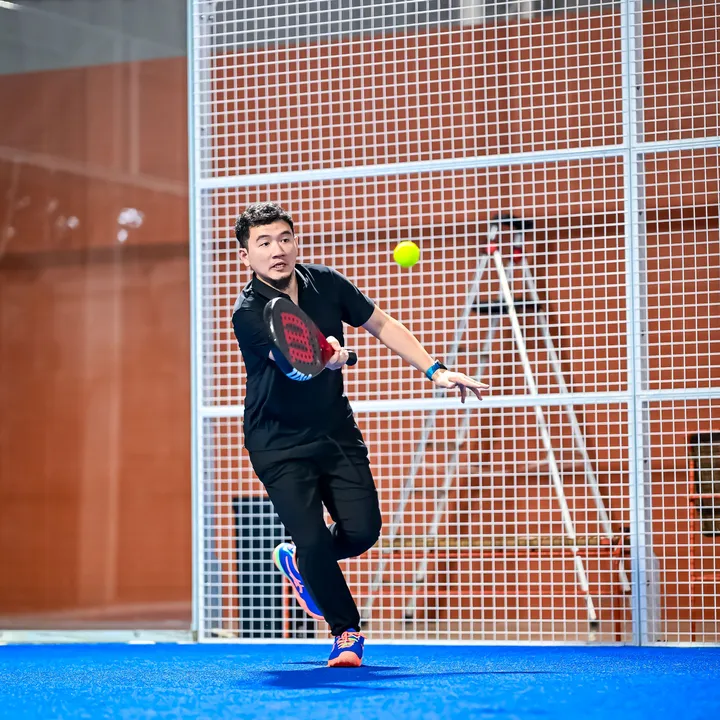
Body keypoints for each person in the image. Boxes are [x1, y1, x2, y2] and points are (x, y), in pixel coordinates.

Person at [231, 202, 488, 667]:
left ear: (295, 242)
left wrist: (436, 370)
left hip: (335, 431)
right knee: (312, 538)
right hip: (277, 441)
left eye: (285, 238)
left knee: (364, 531)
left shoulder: (326, 283)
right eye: (263, 243)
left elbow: (380, 323)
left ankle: (301, 563)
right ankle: (346, 632)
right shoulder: (249, 312)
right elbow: (293, 365)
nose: (277, 250)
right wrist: (331, 359)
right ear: (246, 256)